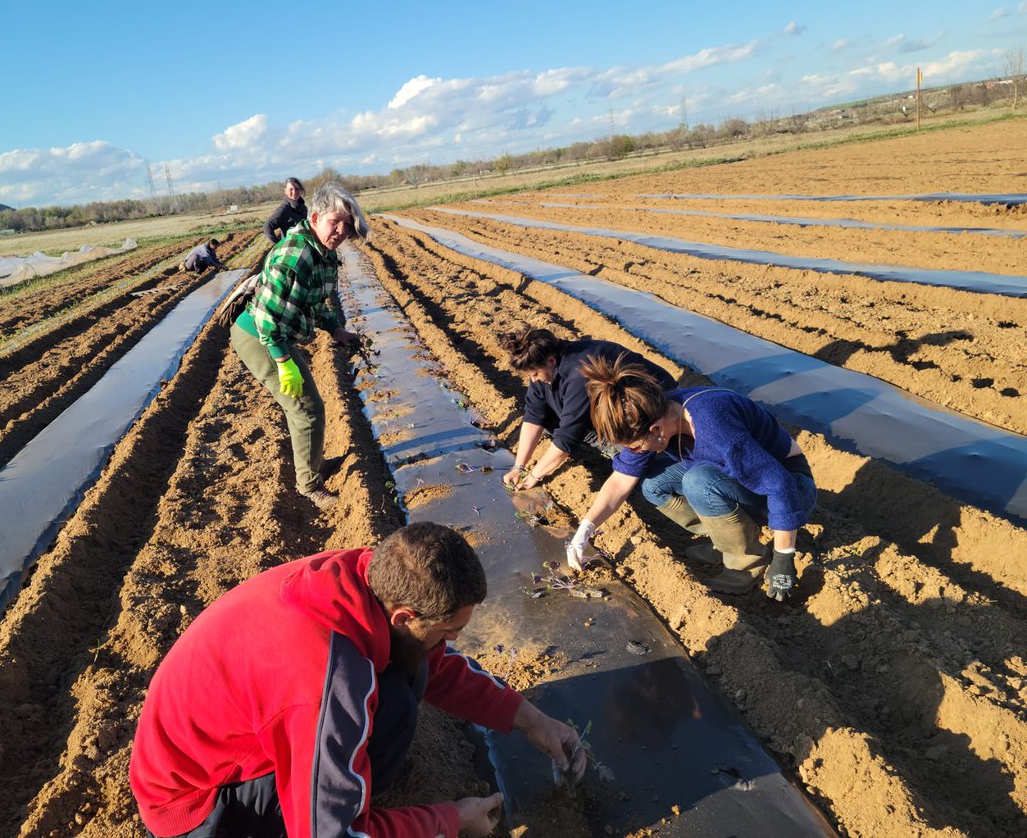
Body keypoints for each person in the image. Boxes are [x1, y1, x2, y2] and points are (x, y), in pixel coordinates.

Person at [129, 522, 587, 838]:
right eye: (449, 631)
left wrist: (529, 719)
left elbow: (437, 662)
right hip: (198, 808)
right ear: (405, 615)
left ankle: (346, 786)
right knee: (390, 707)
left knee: (411, 669)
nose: (450, 642)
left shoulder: (364, 578)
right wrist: (448, 818)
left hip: (226, 744)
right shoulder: (325, 680)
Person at [567, 357, 816, 601]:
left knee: (698, 481)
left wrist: (784, 557)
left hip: (793, 485)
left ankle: (746, 561)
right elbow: (621, 480)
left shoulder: (714, 425)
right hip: (736, 478)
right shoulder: (662, 413)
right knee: (654, 484)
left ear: (656, 430)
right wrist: (584, 531)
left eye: (636, 446)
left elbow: (779, 485)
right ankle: (725, 541)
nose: (637, 452)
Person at [230, 182, 364, 510]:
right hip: (259, 336)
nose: (341, 230)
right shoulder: (296, 254)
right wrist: (283, 361)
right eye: (335, 222)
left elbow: (314, 302)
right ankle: (309, 485)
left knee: (310, 405)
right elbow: (267, 319)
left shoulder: (322, 254)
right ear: (316, 217)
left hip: (275, 332)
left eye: (346, 224)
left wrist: (336, 329)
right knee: (305, 408)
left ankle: (313, 465)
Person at [497, 327, 676, 492]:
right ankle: (605, 441)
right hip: (614, 405)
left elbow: (568, 435)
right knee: (550, 417)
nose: (533, 380)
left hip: (652, 406)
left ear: (551, 361)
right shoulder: (543, 366)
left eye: (534, 374)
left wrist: (534, 476)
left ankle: (636, 455)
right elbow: (534, 415)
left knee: (642, 467)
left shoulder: (579, 374)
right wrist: (518, 467)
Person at [263, 177, 308, 244]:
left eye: (297, 189)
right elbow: (267, 226)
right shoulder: (284, 210)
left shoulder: (303, 207)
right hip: (292, 249)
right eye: (291, 189)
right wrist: (278, 245)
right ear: (285, 191)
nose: (294, 192)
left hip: (304, 246)